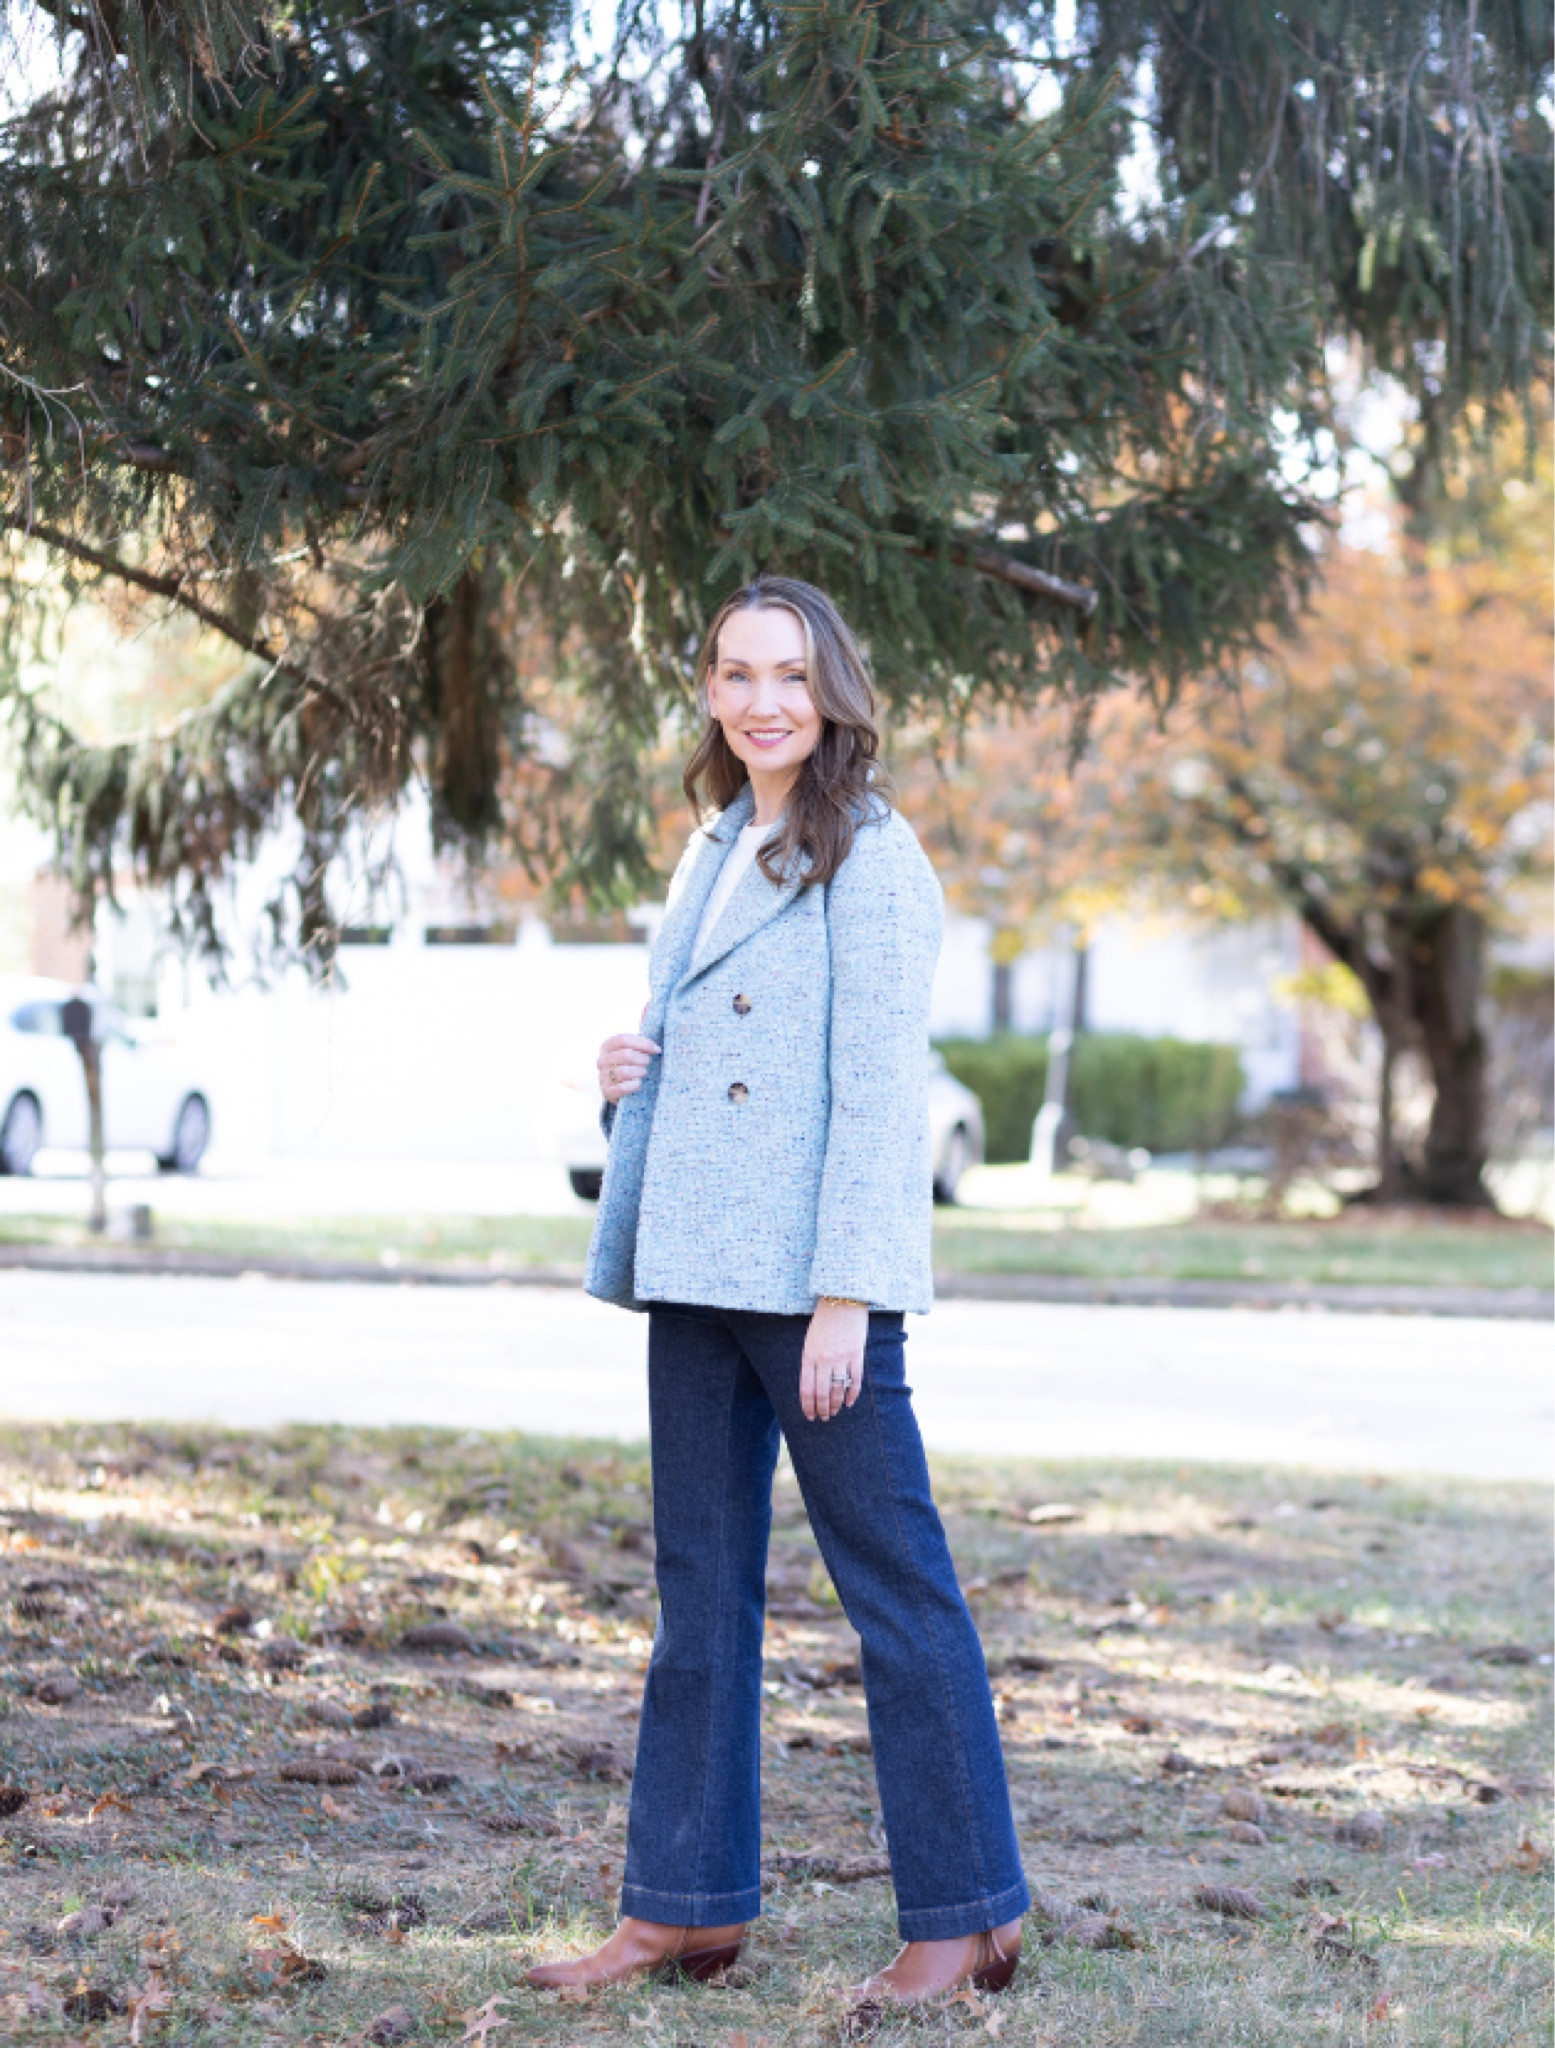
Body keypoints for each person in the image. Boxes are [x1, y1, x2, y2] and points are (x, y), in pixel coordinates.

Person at [524, 576, 1029, 2013]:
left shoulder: (874, 853)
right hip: (693, 1268)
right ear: (707, 690)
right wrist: (636, 1068)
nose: (763, 701)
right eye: (737, 673)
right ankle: (680, 1906)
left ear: (835, 689)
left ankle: (967, 1914)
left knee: (898, 1590)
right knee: (699, 1597)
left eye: (790, 675)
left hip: (811, 1287)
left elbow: (878, 1096)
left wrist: (851, 1298)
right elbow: (724, 1050)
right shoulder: (713, 843)